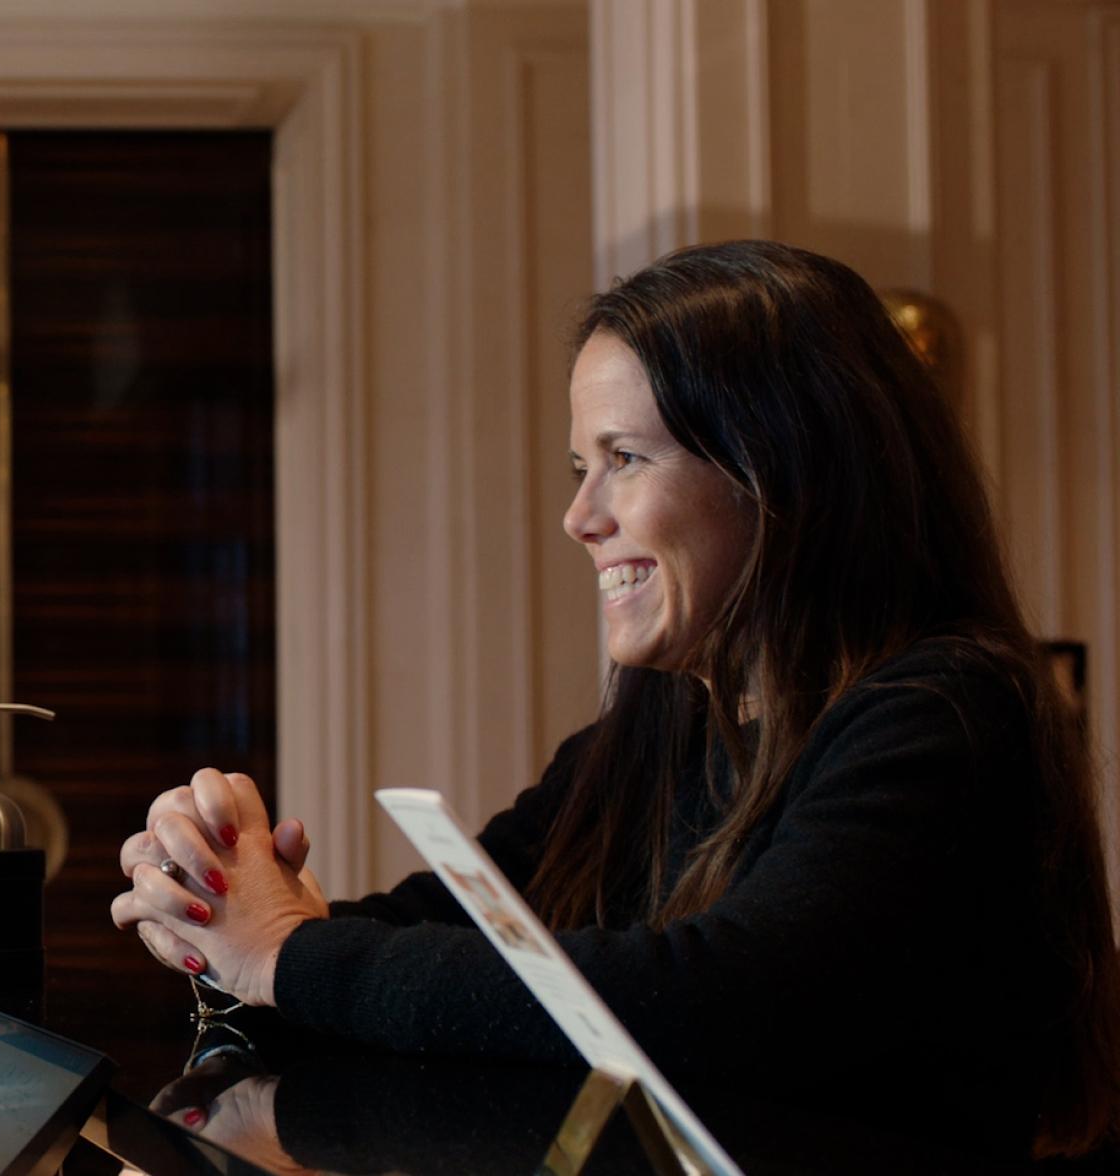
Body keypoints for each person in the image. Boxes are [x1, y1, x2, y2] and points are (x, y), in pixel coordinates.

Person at [111, 240, 1120, 1157]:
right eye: (579, 467)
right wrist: (218, 903)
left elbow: (716, 1005)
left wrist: (289, 951)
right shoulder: (653, 736)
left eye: (624, 460)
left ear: (782, 474)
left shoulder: (944, 713)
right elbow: (449, 940)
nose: (578, 516)